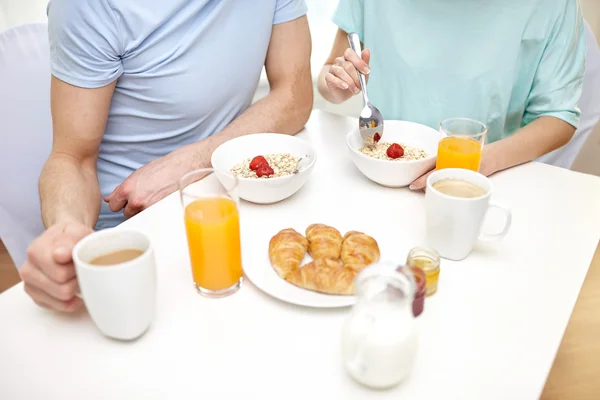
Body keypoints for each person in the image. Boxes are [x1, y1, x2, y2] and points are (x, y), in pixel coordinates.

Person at [19, 0, 313, 312]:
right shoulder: (88, 6)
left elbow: (294, 95)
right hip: (132, 231)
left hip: (226, 202)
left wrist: (192, 163)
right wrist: (67, 231)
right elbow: (72, 158)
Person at [318, 0, 586, 189]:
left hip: (480, 183)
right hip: (378, 170)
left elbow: (557, 116)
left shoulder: (552, 6)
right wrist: (338, 84)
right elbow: (330, 75)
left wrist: (480, 162)